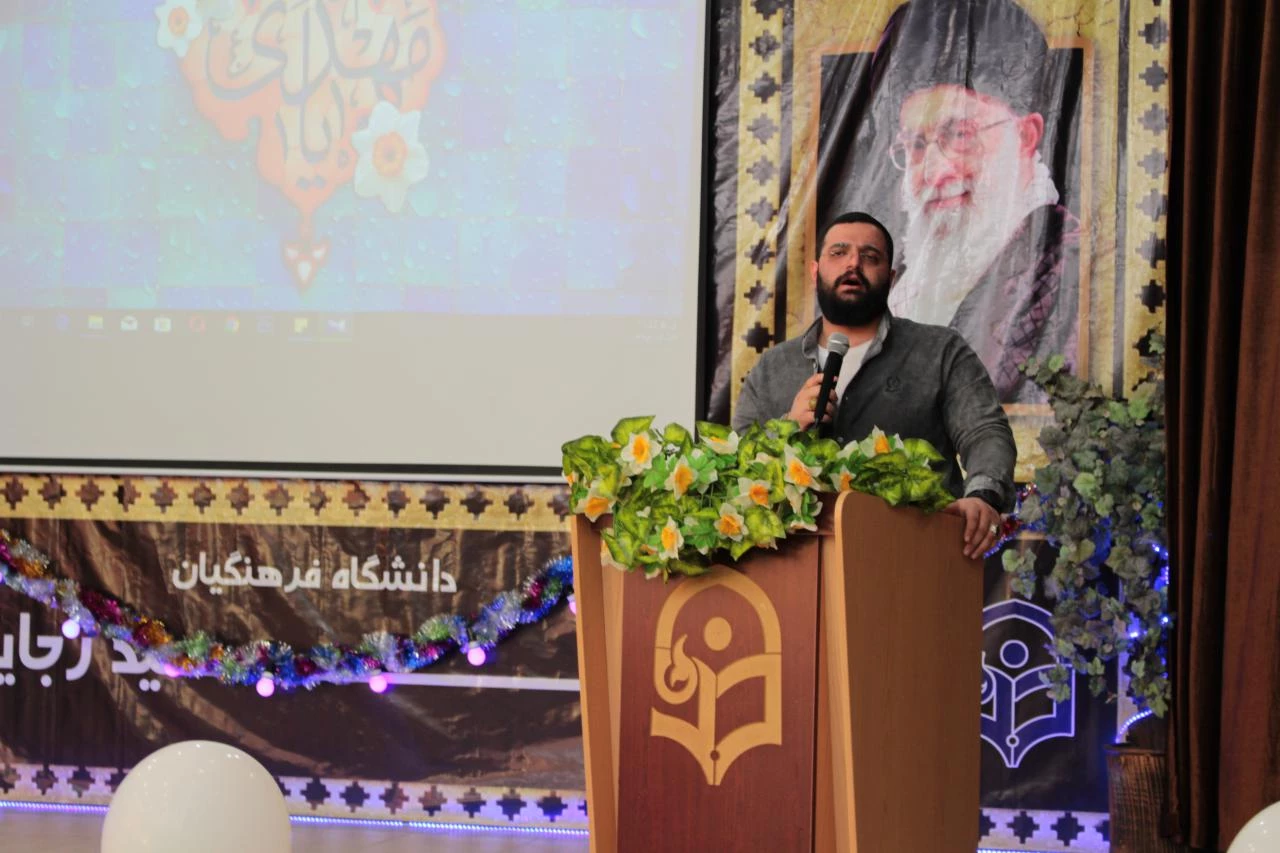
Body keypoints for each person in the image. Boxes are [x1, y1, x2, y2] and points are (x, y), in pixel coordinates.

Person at [732, 211, 1015, 559]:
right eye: (839, 253)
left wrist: (983, 497)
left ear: (891, 278)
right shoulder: (773, 369)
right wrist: (789, 426)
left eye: (870, 257)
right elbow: (738, 466)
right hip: (795, 565)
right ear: (815, 271)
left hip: (915, 559)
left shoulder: (939, 351)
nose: (853, 264)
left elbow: (984, 432)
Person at [868, 0, 1080, 402]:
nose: (935, 172)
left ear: (1027, 137)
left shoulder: (1073, 265)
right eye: (916, 145)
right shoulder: (905, 280)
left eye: (960, 135)